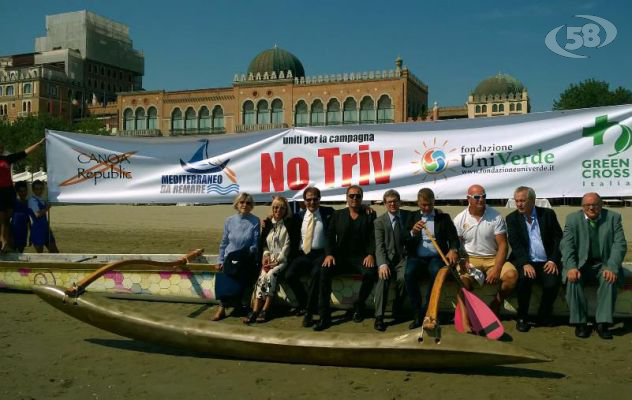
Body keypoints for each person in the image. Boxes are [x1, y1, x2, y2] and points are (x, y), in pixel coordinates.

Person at [561, 192, 627, 340]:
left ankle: (603, 323)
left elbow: (620, 245)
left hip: (603, 264)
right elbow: (567, 246)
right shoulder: (572, 219)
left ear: (601, 205)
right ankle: (580, 323)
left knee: (609, 278)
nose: (591, 208)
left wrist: (611, 266)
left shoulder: (613, 218)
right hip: (580, 264)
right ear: (582, 206)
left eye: (595, 204)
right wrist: (571, 266)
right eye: (587, 205)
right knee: (572, 279)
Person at [453, 184, 517, 331]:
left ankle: (496, 304)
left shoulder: (495, 216)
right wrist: (463, 260)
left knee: (512, 276)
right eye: (477, 197)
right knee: (463, 283)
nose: (481, 200)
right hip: (469, 258)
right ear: (468, 199)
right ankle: (466, 320)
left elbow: (503, 246)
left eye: (483, 196)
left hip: (492, 258)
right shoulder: (459, 219)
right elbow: (455, 246)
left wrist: (496, 269)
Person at [315, 185, 376, 331]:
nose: (354, 198)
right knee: (323, 271)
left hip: (361, 258)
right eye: (351, 196)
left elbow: (373, 237)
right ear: (346, 198)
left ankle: (359, 306)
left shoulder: (369, 215)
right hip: (340, 257)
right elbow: (329, 237)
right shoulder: (338, 215)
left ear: (362, 198)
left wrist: (370, 254)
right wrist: (329, 254)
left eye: (358, 196)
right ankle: (324, 316)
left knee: (370, 273)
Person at [506, 186, 563, 332]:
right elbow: (515, 243)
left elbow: (558, 239)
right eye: (517, 201)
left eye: (523, 201)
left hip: (546, 261)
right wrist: (524, 263)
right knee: (524, 279)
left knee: (552, 283)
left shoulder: (548, 214)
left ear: (532, 200)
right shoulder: (512, 218)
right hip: (526, 260)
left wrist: (553, 260)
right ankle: (522, 317)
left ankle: (543, 315)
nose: (519, 204)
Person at [405, 188, 459, 329]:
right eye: (423, 205)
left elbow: (453, 238)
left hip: (437, 256)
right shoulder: (411, 217)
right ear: (418, 203)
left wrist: (453, 250)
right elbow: (403, 240)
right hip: (417, 257)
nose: (427, 208)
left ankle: (428, 310)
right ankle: (417, 313)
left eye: (430, 204)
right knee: (408, 273)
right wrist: (412, 232)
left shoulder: (443, 218)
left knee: (436, 272)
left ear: (434, 201)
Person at [283, 187, 335, 328]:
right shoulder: (298, 216)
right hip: (303, 254)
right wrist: (268, 220)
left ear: (319, 199)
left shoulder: (328, 213)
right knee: (289, 275)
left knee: (315, 276)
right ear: (304, 201)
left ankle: (309, 313)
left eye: (315, 199)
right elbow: (283, 223)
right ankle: (305, 303)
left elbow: (347, 214)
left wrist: (367, 210)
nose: (312, 202)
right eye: (309, 199)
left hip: (320, 255)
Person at [244, 196, 296, 324]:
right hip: (269, 259)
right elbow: (265, 244)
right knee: (262, 277)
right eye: (275, 207)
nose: (278, 210)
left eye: (281, 208)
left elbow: (288, 246)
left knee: (271, 276)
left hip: (281, 260)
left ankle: (266, 309)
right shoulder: (267, 223)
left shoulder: (289, 224)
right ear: (272, 208)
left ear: (286, 210)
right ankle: (256, 310)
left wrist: (277, 261)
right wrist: (266, 257)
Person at [214, 192, 260, 321]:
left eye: (248, 203)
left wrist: (245, 254)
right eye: (242, 202)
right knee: (224, 277)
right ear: (237, 204)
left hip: (245, 258)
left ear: (251, 205)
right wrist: (220, 259)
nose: (245, 205)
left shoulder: (255, 221)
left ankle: (243, 306)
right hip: (229, 257)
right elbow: (224, 243)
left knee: (246, 277)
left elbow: (255, 244)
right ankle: (221, 309)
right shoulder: (229, 220)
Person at [373, 189, 411, 331]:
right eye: (389, 202)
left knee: (404, 278)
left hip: (403, 258)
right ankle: (379, 317)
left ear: (399, 202)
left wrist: (438, 211)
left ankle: (398, 306)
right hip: (387, 259)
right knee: (382, 280)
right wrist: (382, 264)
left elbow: (424, 213)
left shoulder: (408, 216)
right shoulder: (379, 222)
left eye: (395, 201)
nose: (393, 204)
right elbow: (379, 245)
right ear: (385, 204)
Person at [0, 138, 45, 252]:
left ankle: (7, 241)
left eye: (2, 148)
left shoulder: (7, 159)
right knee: (2, 219)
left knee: (7, 219)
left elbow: (24, 152)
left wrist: (38, 144)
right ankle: (3, 241)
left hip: (9, 191)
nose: (1, 149)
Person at [28, 180, 59, 253]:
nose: (39, 190)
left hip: (46, 228)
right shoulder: (32, 201)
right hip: (37, 229)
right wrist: (47, 208)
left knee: (55, 252)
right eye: (37, 188)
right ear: (33, 190)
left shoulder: (42, 200)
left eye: (41, 188)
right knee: (40, 254)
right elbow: (37, 214)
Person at [10, 181, 30, 253]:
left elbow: (29, 221)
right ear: (17, 192)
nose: (23, 193)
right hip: (13, 233)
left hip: (23, 233)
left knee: (21, 253)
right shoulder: (14, 203)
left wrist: (29, 236)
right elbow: (8, 219)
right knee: (12, 255)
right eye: (21, 191)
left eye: (25, 191)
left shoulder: (28, 204)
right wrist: (10, 236)